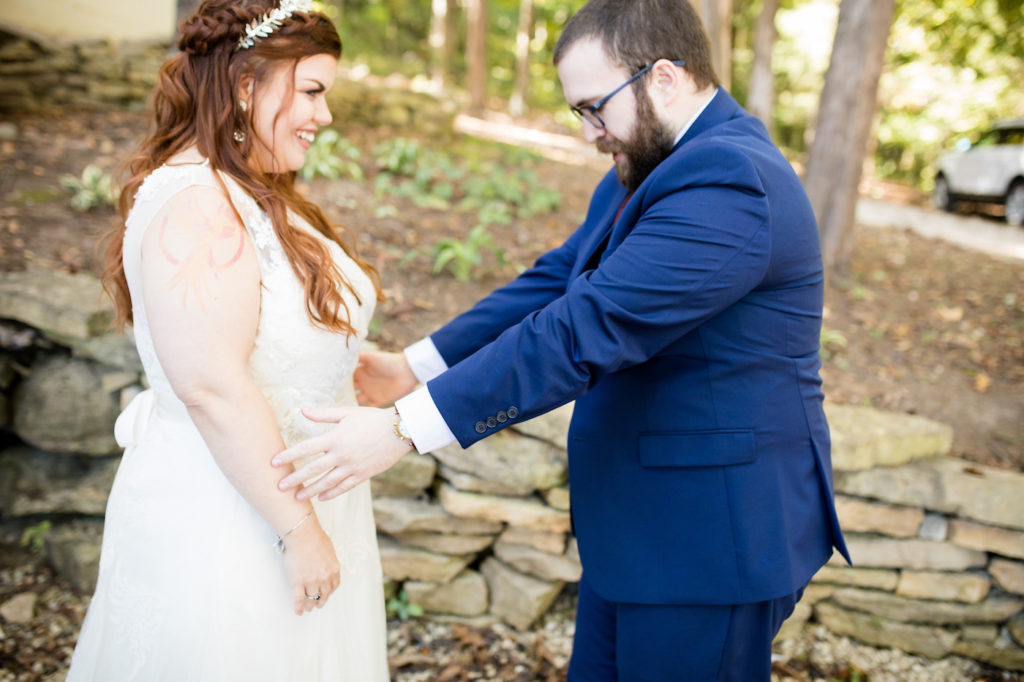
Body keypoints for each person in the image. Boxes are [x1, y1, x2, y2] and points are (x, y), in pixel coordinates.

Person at [274, 0, 849, 679]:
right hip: (641, 531)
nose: (588, 132)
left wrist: (403, 429)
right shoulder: (658, 158)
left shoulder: (731, 182)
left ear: (663, 78)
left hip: (709, 541)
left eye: (593, 107)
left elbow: (585, 328)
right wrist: (414, 366)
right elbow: (560, 278)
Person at [67, 1, 389, 679]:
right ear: (246, 86)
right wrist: (299, 531)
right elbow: (211, 383)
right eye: (311, 91)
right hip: (234, 521)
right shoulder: (197, 203)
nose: (324, 116)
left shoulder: (242, 191)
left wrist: (349, 364)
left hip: (279, 501)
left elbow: (265, 337)